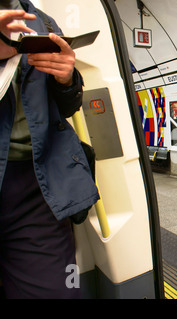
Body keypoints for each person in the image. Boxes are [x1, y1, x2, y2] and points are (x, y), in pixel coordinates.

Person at [0, 0, 99, 298]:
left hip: (37, 186)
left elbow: (67, 108)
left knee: (59, 292)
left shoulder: (45, 23)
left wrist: (66, 77)